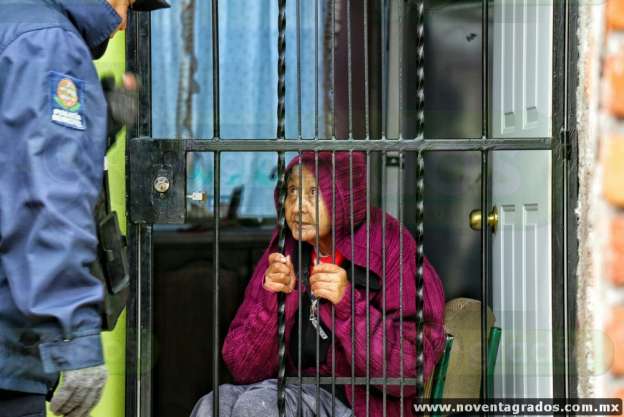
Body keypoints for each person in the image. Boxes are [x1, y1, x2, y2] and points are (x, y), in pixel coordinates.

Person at [0, 1, 169, 417]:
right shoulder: (49, 43)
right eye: (129, 3)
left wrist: (98, 122)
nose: (124, 23)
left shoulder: (15, 24)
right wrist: (71, 333)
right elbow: (48, 199)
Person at [191, 152, 446, 417]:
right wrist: (274, 303)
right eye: (291, 191)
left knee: (259, 406)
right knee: (214, 405)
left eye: (314, 192)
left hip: (361, 405)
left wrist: (348, 306)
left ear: (344, 195)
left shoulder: (391, 248)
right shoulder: (286, 248)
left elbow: (407, 372)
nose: (297, 206)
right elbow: (243, 369)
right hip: (292, 390)